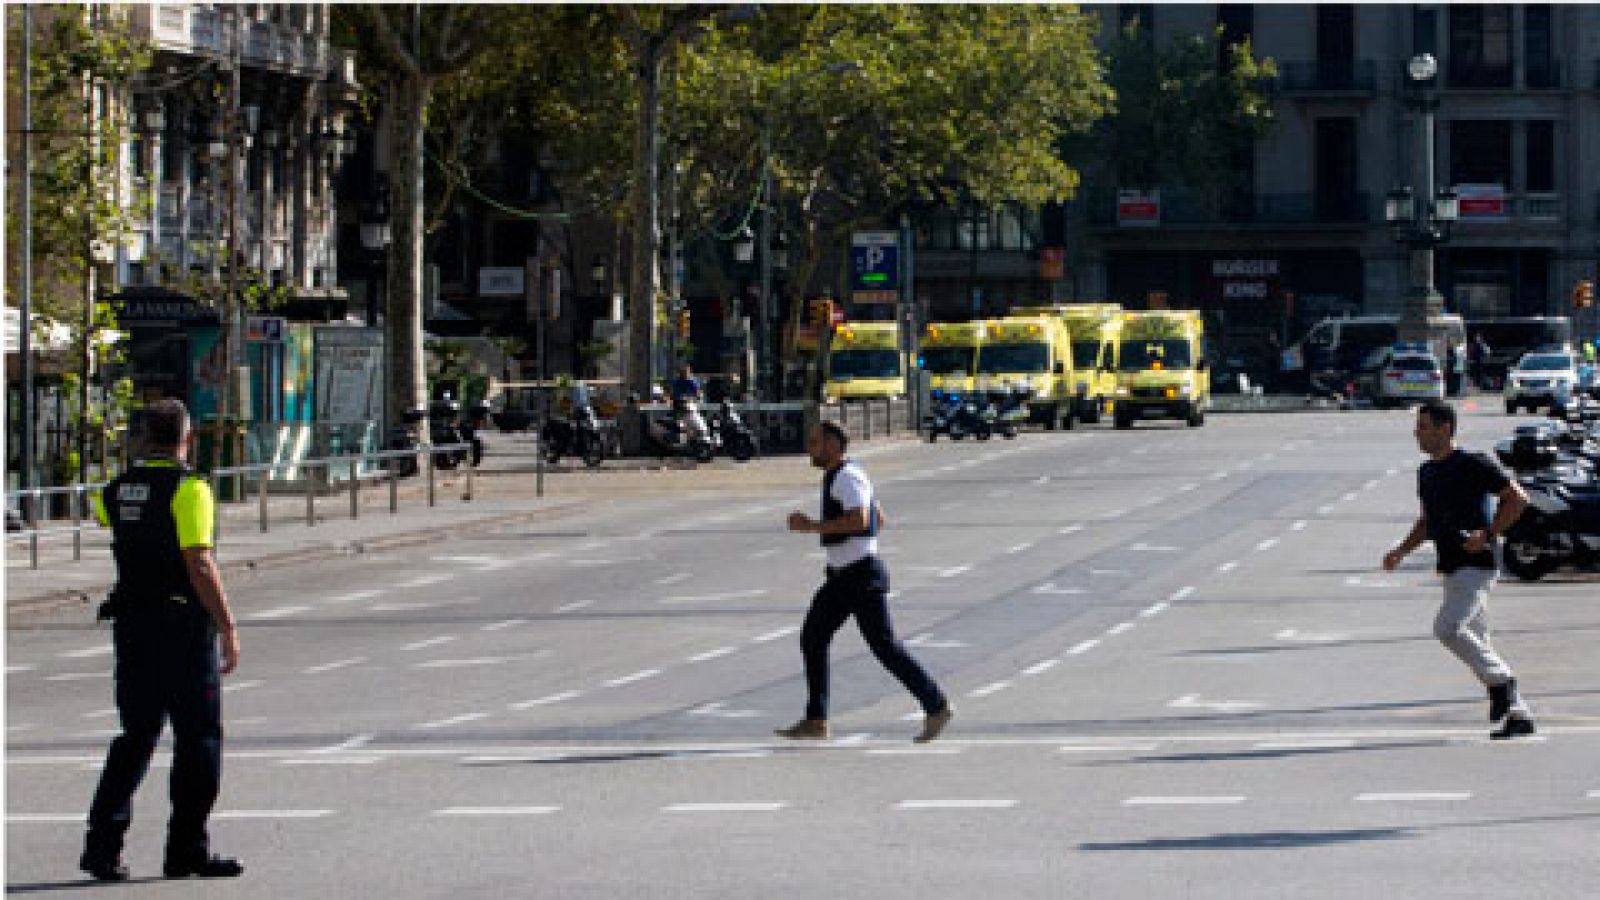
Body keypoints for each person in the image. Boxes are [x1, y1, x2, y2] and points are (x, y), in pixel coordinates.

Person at [81, 398, 244, 881]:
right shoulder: (189, 489)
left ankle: (101, 848)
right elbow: (198, 559)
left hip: (133, 627)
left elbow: (107, 519)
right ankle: (187, 850)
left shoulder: (114, 490)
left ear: (143, 438)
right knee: (199, 740)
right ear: (187, 439)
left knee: (135, 736)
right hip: (182, 629)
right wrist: (228, 625)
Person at [777, 421, 953, 742]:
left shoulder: (846, 477)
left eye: (815, 442)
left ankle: (936, 705)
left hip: (860, 577)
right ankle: (816, 719)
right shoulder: (845, 475)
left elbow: (861, 519)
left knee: (884, 647)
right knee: (813, 637)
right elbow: (878, 518)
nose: (810, 449)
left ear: (832, 444)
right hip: (843, 578)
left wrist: (812, 526)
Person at [1382, 400, 1536, 740]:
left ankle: (1503, 684)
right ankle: (1518, 714)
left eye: (1423, 427)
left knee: (1448, 628)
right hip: (1451, 566)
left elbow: (1517, 498)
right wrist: (1402, 550)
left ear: (1445, 429)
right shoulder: (1427, 472)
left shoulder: (1472, 463)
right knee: (1479, 640)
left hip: (1476, 564)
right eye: (1416, 427)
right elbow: (1427, 521)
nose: (1417, 434)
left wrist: (1490, 533)